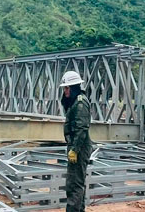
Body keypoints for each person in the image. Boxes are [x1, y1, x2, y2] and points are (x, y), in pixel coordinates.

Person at [60, 70, 92, 212]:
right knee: (75, 183)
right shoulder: (75, 102)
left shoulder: (80, 103)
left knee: (75, 184)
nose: (65, 91)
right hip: (76, 147)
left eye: (66, 88)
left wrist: (75, 149)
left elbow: (82, 128)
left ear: (72, 88)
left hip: (79, 147)